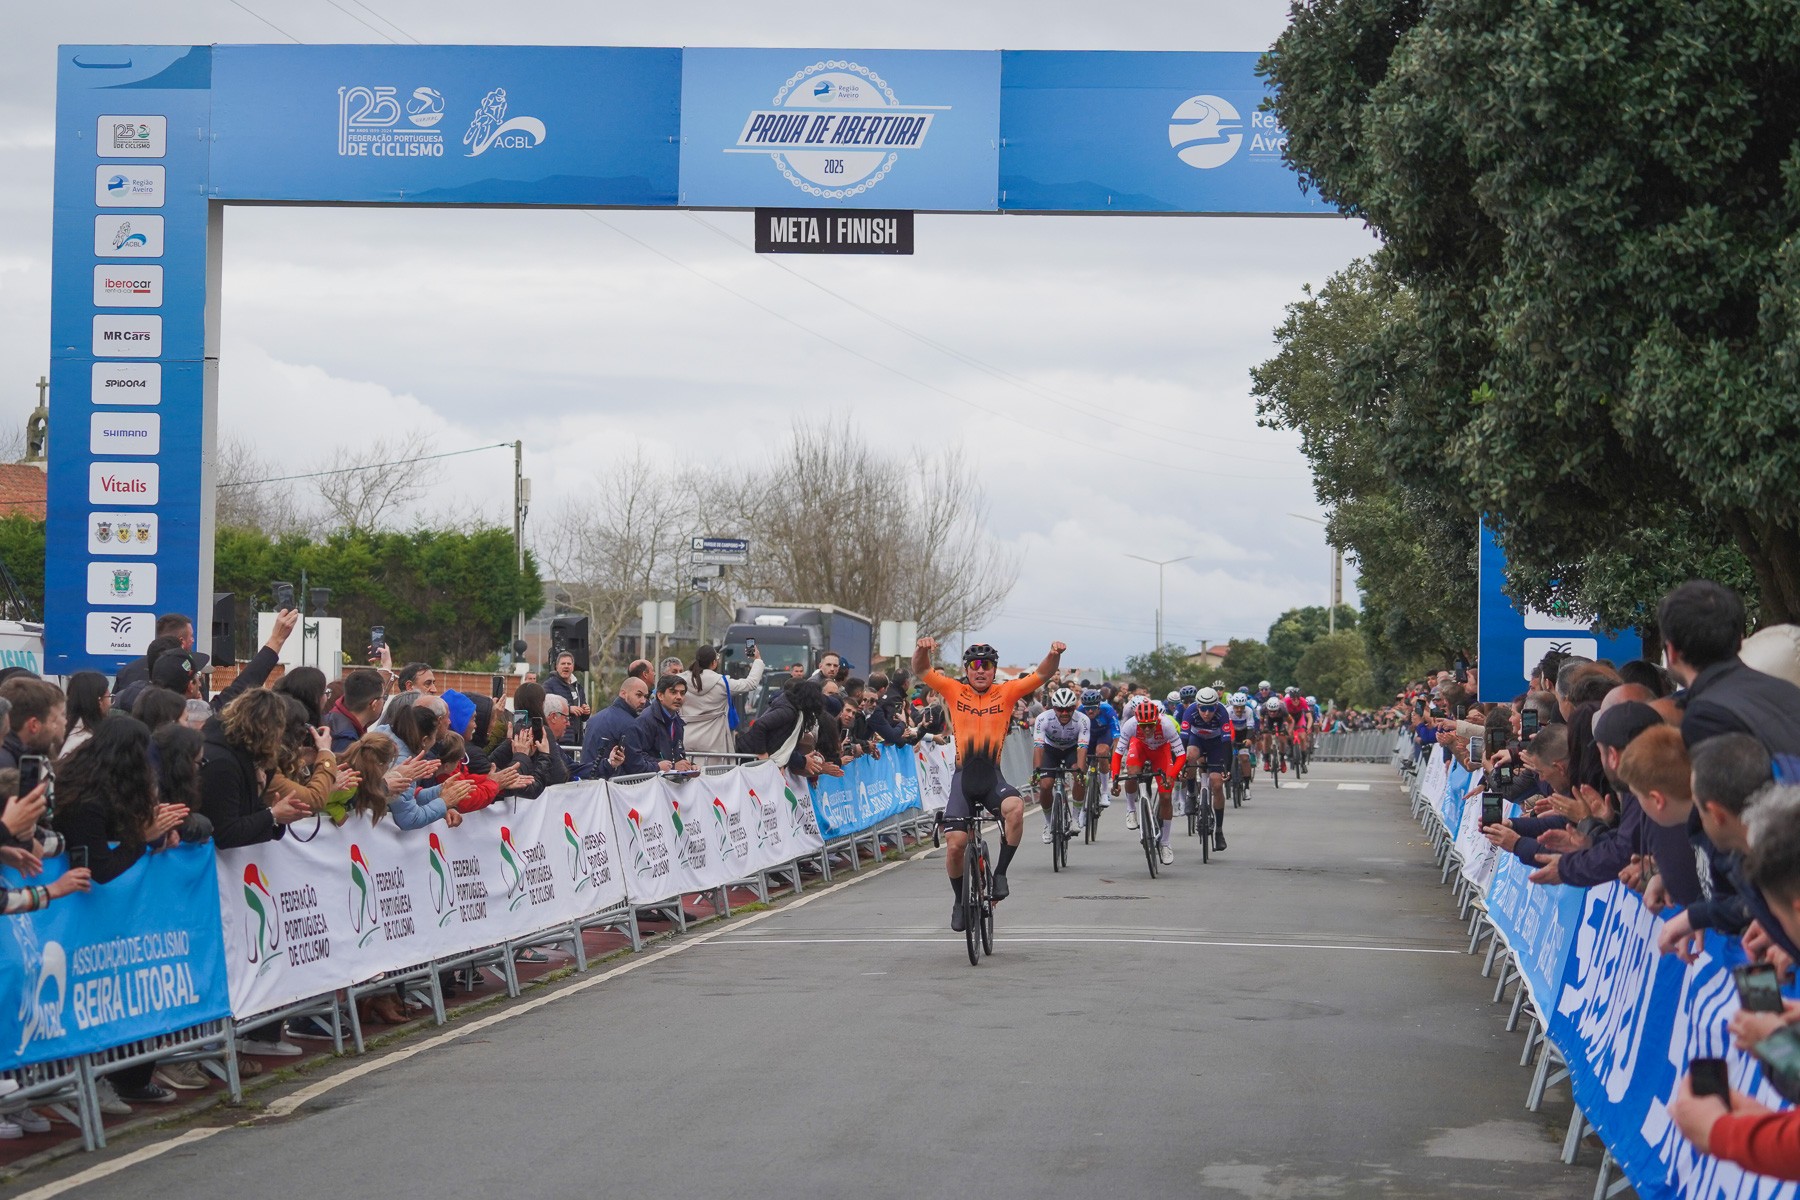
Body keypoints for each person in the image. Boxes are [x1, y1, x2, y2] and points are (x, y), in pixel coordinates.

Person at [52, 714, 191, 1104]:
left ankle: (129, 1077)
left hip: (114, 925)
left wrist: (156, 836)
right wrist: (142, 841)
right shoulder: (87, 801)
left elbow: (122, 837)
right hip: (84, 923)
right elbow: (101, 870)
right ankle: (97, 1081)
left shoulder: (107, 790)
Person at [914, 636, 1065, 930]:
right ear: (967, 669)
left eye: (986, 665)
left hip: (992, 777)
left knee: (1016, 809)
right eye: (974, 665)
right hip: (963, 779)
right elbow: (922, 670)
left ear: (994, 670)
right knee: (955, 844)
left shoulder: (1007, 693)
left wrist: (1052, 654)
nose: (980, 670)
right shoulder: (953, 691)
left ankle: (1000, 874)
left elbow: (1042, 674)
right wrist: (921, 650)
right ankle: (959, 900)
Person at [1111, 695, 1186, 864]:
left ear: (1156, 721)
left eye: (1150, 725)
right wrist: (1115, 778)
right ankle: (1131, 809)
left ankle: (1165, 842)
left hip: (1161, 751)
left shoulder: (1166, 725)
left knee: (1166, 796)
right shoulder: (1130, 725)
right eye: (1143, 726)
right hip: (1140, 748)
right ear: (1137, 721)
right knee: (1132, 773)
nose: (1146, 730)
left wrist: (1171, 775)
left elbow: (1181, 755)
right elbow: (1117, 754)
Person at [684, 643, 764, 756]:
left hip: (685, 737)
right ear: (714, 663)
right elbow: (750, 684)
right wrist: (757, 660)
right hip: (714, 742)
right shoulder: (723, 683)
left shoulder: (680, 680)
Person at [1031, 688, 1089, 843]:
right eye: (1060, 709)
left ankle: (1076, 817)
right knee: (1045, 785)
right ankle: (1048, 823)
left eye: (1069, 709)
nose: (1064, 713)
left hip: (1072, 749)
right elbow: (1038, 746)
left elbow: (1082, 748)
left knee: (1079, 776)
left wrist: (1081, 773)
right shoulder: (1043, 718)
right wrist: (1036, 771)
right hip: (1050, 750)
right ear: (1053, 708)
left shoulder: (1082, 720)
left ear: (1074, 708)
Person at [1180, 686, 1232, 852]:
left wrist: (1227, 768)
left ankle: (1219, 830)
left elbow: (1226, 744)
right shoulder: (1190, 712)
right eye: (1203, 708)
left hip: (1216, 744)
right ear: (1198, 706)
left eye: (1211, 709)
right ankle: (1191, 794)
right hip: (1197, 740)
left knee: (1217, 784)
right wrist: (1181, 764)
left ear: (1216, 706)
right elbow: (1183, 740)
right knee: (1190, 756)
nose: (1207, 713)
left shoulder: (1223, 713)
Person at [621, 676, 696, 776]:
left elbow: (678, 755)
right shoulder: (646, 720)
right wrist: (672, 766)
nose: (679, 697)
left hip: (667, 781)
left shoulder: (677, 720)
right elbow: (638, 756)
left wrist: (690, 766)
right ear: (660, 695)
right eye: (673, 692)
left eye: (682, 693)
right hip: (649, 782)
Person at [578, 676, 644, 780]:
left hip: (588, 780)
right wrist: (658, 766)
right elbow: (635, 766)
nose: (643, 701)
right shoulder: (629, 724)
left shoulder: (595, 718)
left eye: (646, 696)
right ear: (623, 693)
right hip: (610, 785)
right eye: (639, 695)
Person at [1078, 687, 1120, 814]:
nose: (1090, 711)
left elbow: (1117, 737)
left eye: (1093, 708)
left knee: (1101, 753)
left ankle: (1104, 792)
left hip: (1103, 734)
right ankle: (1084, 791)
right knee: (1081, 757)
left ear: (1099, 705)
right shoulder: (1079, 711)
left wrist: (1114, 760)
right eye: (1087, 708)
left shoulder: (1108, 710)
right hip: (1088, 735)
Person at [326, 667, 386, 753]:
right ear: (374, 704)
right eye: (383, 697)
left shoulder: (333, 719)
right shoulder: (345, 741)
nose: (383, 701)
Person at [542, 651, 590, 748]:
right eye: (563, 664)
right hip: (559, 740)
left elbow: (583, 717)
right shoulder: (548, 685)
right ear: (557, 666)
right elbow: (545, 708)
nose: (566, 666)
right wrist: (568, 709)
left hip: (577, 740)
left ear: (573, 667)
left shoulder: (578, 687)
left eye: (569, 664)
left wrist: (586, 711)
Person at [59, 670, 110, 757]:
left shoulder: (63, 734)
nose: (110, 703)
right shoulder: (87, 743)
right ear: (99, 701)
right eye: (109, 697)